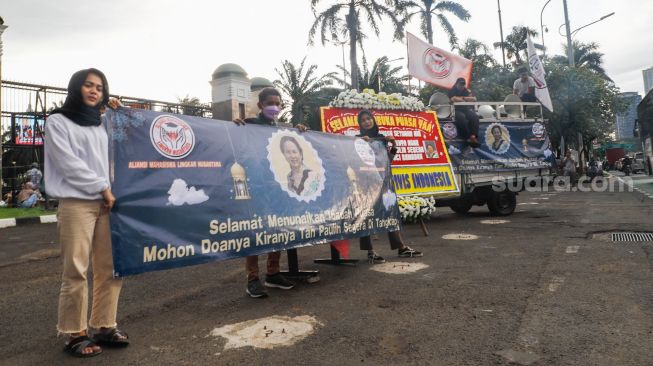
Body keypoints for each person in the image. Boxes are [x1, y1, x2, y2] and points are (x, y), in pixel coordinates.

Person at [45, 68, 128, 358]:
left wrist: (118, 112)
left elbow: (127, 138)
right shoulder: (57, 121)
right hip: (77, 203)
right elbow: (68, 164)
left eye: (100, 87)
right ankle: (74, 333)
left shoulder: (101, 124)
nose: (94, 91)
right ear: (75, 88)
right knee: (76, 270)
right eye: (88, 85)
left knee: (110, 266)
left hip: (107, 204)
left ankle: (104, 324)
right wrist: (103, 187)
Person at [234, 87, 307, 298]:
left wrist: (298, 131)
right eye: (270, 103)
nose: (275, 107)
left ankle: (273, 273)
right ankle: (253, 279)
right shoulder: (249, 125)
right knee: (255, 231)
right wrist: (236, 126)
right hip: (256, 187)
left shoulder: (282, 130)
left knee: (277, 229)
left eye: (278, 103)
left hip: (277, 188)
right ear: (260, 106)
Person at [357, 110, 423, 263]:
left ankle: (401, 248)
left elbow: (388, 160)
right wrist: (361, 143)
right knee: (367, 215)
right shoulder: (357, 139)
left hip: (384, 182)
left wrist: (393, 144)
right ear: (360, 124)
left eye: (369, 119)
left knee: (390, 212)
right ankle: (370, 252)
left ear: (373, 120)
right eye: (363, 120)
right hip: (367, 184)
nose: (367, 122)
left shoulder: (381, 139)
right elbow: (355, 160)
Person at [448, 78, 480, 147]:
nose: (462, 86)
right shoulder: (452, 90)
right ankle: (468, 137)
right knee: (461, 118)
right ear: (457, 84)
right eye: (460, 84)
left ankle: (473, 136)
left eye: (463, 84)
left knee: (474, 116)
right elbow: (453, 99)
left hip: (465, 109)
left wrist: (462, 98)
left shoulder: (466, 90)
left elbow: (474, 99)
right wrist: (466, 98)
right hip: (455, 110)